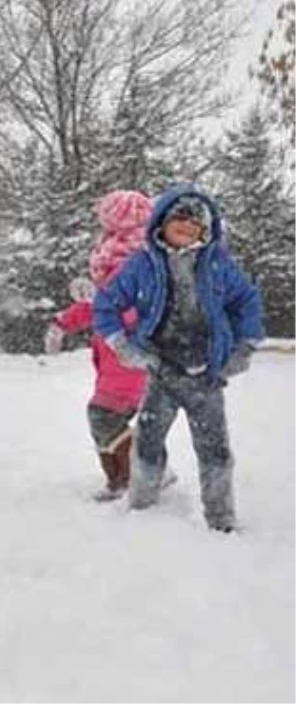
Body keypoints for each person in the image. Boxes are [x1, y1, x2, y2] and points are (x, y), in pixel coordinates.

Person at [93, 184, 263, 533]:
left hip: (206, 375)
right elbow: (106, 303)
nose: (186, 229)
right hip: (162, 370)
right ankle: (141, 508)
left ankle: (221, 519)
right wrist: (123, 345)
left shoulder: (218, 265)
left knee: (215, 450)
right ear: (161, 223)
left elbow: (247, 301)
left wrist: (244, 346)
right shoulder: (142, 264)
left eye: (195, 225)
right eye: (179, 221)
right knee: (148, 441)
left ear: (207, 229)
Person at [43, 191, 152, 501]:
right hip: (119, 361)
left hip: (128, 360)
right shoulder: (119, 258)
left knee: (103, 415)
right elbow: (98, 305)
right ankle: (127, 477)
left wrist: (101, 302)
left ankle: (138, 474)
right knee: (114, 418)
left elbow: (135, 311)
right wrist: (64, 321)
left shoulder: (136, 262)